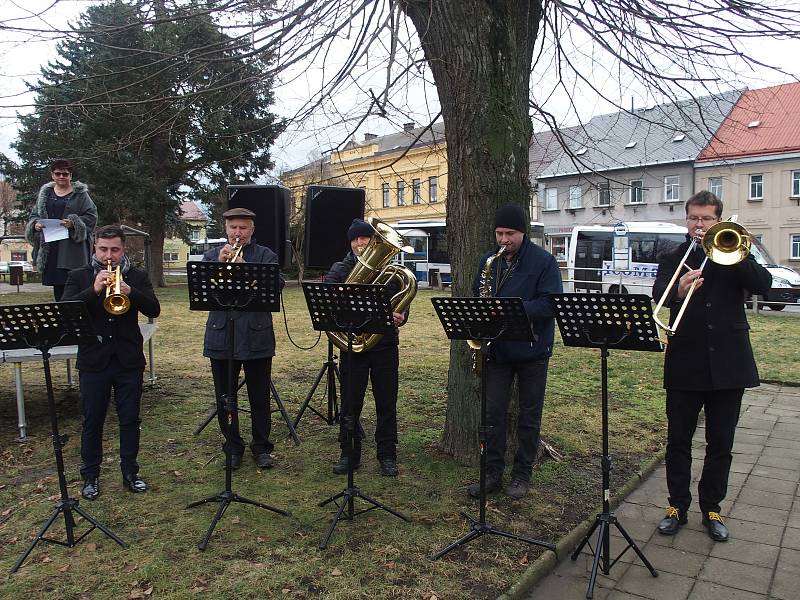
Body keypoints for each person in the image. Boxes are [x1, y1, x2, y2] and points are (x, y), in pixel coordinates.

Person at [653, 190, 771, 542]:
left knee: (721, 443)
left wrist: (735, 255)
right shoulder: (673, 257)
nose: (699, 225)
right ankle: (677, 506)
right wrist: (678, 289)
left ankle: (712, 508)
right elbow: (658, 293)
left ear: (718, 221)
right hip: (685, 363)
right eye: (693, 218)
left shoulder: (734, 254)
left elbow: (763, 284)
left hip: (729, 366)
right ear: (686, 220)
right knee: (678, 442)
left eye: (706, 219)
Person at [467, 204, 563, 499]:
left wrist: (511, 310)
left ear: (523, 232)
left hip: (533, 351)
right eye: (499, 233)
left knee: (529, 416)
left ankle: (522, 474)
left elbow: (551, 304)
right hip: (498, 350)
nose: (504, 240)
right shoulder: (489, 260)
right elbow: (477, 296)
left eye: (510, 233)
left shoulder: (544, 262)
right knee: (492, 415)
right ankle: (492, 473)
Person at [62, 225, 161, 500]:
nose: (109, 255)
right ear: (94, 248)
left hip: (128, 360)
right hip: (94, 360)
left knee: (130, 419)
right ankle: (90, 476)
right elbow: (65, 311)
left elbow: (154, 309)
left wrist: (130, 291)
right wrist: (93, 290)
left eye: (115, 249)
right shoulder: (79, 275)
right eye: (103, 249)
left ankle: (130, 472)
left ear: (123, 249)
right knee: (93, 421)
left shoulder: (136, 275)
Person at [325, 218, 409, 477]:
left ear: (373, 241)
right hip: (352, 345)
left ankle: (387, 454)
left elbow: (404, 303)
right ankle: (348, 454)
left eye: (365, 238)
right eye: (355, 239)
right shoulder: (340, 270)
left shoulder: (392, 272)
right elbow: (327, 304)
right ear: (350, 243)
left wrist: (401, 315)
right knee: (351, 403)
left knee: (387, 401)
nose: (360, 243)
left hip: (385, 344)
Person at [203, 207, 284, 470]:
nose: (238, 233)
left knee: (259, 396)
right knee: (225, 396)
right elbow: (200, 288)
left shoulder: (265, 255)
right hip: (221, 333)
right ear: (225, 228)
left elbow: (276, 285)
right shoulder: (211, 255)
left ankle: (261, 447)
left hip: (256, 335)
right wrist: (218, 264)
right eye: (233, 228)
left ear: (252, 230)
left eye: (243, 228)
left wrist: (245, 269)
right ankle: (232, 446)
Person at [25, 159, 98, 300]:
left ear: (70, 175)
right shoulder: (45, 194)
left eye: (65, 174)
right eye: (57, 173)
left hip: (72, 248)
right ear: (52, 175)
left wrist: (74, 223)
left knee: (74, 285)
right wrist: (35, 224)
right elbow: (34, 214)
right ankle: (63, 317)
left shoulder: (81, 194)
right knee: (58, 288)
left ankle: (76, 318)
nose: (61, 177)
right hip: (51, 247)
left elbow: (92, 216)